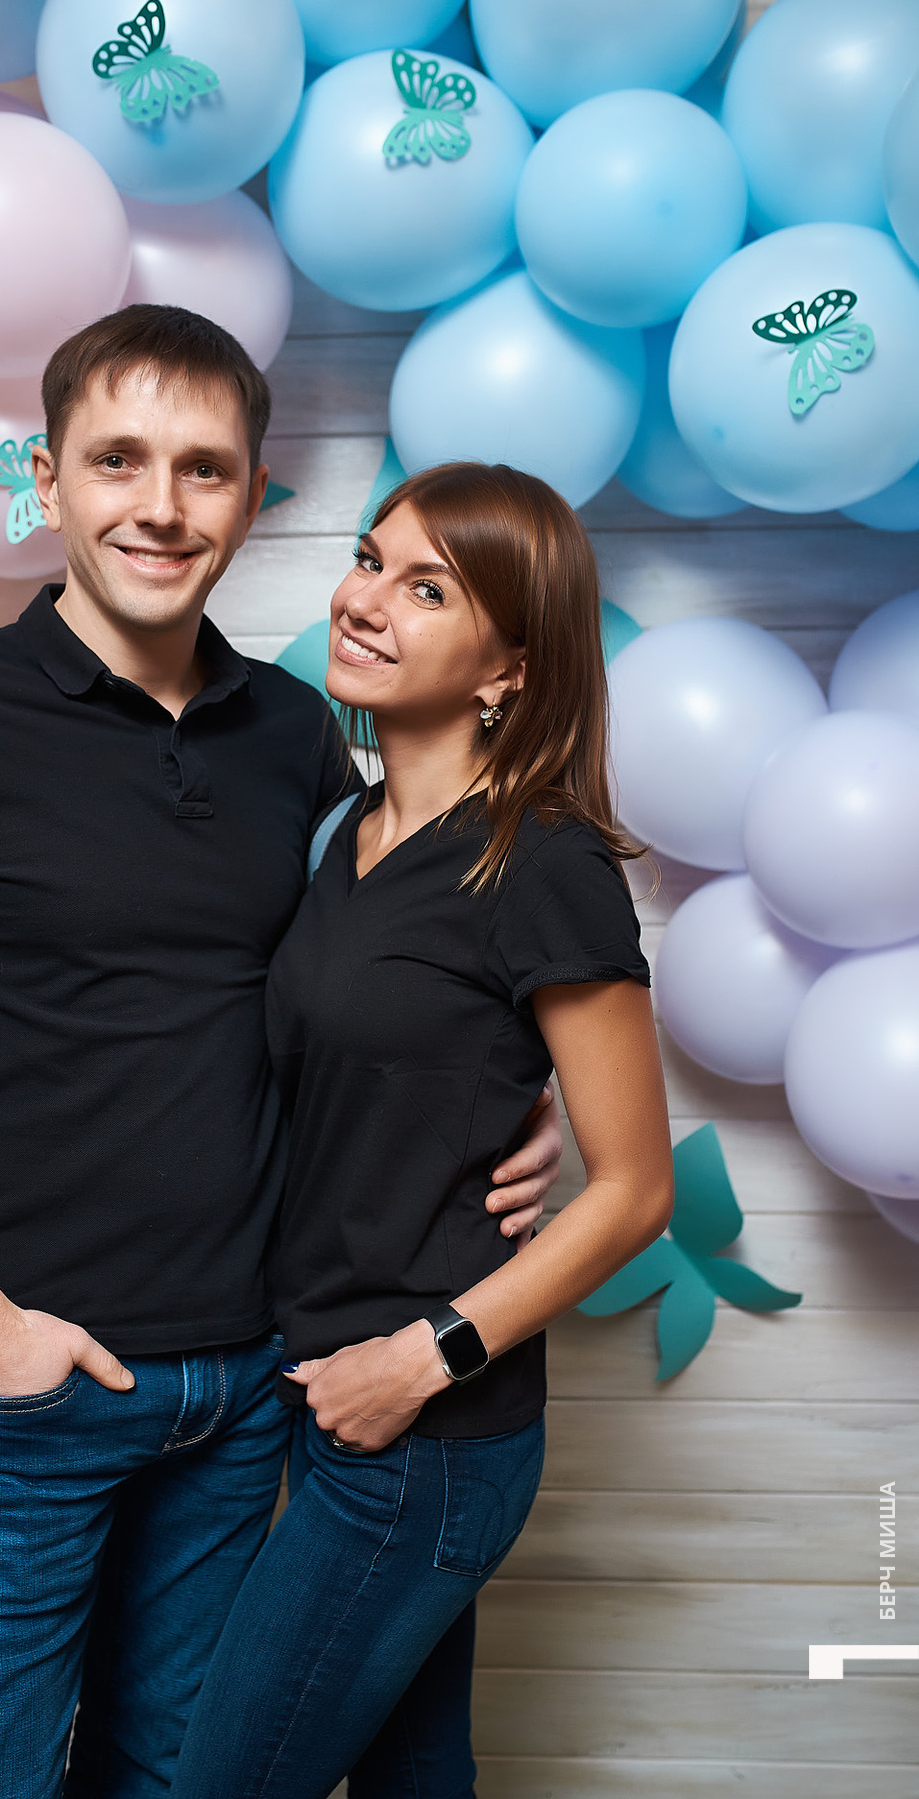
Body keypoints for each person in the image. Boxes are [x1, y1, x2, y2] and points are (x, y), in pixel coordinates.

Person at [0, 306, 562, 1799]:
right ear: (47, 479)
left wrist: (519, 1105)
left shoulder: (301, 733)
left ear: (252, 499)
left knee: (180, 1778)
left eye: (205, 469)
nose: (162, 506)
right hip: (21, 1391)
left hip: (250, 1385)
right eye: (117, 459)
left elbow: (379, 990)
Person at [168, 461, 677, 1799]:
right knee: (413, 1776)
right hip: (321, 1394)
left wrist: (423, 1358)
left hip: (425, 1436)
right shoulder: (345, 833)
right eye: (368, 559)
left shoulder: (544, 861)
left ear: (510, 669)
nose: (366, 600)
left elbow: (636, 1192)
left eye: (429, 589)